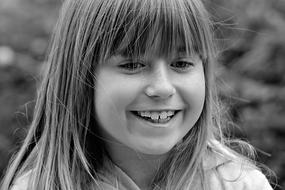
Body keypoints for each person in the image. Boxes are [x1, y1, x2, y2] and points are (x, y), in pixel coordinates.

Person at [1, 0, 274, 189]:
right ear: (82, 77)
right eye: (132, 65)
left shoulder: (241, 185)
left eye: (181, 64)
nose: (163, 88)